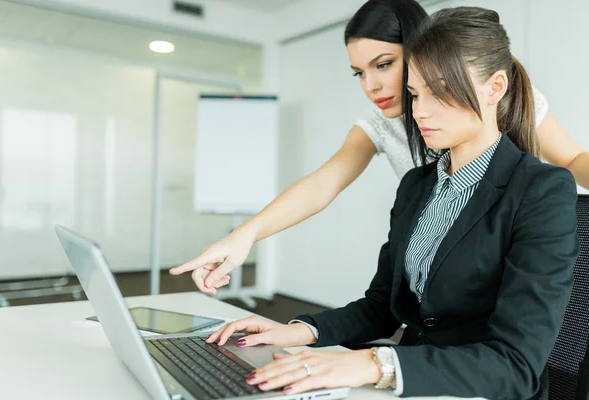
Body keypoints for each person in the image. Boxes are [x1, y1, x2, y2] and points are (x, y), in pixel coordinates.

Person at [201, 7, 579, 399]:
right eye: (415, 93)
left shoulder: (541, 191)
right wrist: (297, 331)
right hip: (413, 377)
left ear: (495, 87)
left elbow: (516, 365)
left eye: (441, 90)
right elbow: (383, 306)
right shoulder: (417, 185)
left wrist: (372, 363)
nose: (421, 110)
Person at [169, 0, 588, 295]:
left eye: (384, 64)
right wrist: (245, 236)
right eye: (359, 73)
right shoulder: (380, 126)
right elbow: (322, 184)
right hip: (448, 276)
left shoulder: (500, 96)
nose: (371, 86)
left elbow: (571, 159)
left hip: (517, 262)